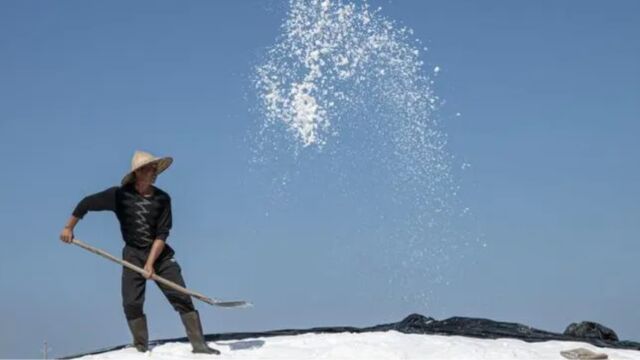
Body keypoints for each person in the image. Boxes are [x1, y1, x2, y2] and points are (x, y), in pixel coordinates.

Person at [59, 150, 220, 355]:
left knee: (181, 296)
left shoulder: (163, 199)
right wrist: (68, 228)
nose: (154, 172)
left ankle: (199, 345)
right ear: (137, 173)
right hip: (133, 254)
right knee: (131, 302)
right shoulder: (119, 195)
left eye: (155, 169)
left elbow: (162, 234)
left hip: (160, 255)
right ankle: (141, 347)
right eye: (149, 169)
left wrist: (151, 263)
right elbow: (86, 204)